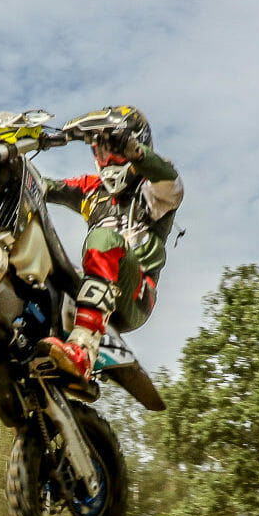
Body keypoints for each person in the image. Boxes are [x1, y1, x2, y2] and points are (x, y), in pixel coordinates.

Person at [41, 107, 183, 379]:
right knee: (44, 249)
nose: (107, 158)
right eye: (101, 149)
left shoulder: (153, 188)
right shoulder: (90, 188)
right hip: (95, 285)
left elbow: (170, 182)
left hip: (135, 296)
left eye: (113, 148)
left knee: (105, 238)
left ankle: (83, 350)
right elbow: (40, 185)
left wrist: (135, 152)